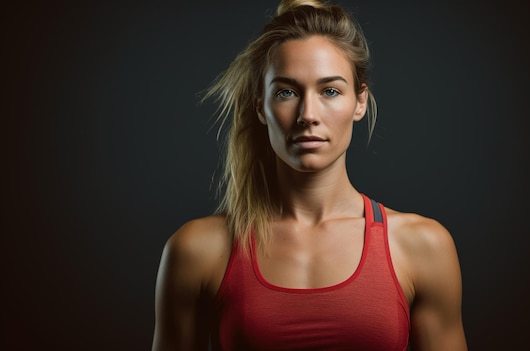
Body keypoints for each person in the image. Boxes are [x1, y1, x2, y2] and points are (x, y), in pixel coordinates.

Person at [152, 0, 466, 350]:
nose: (308, 114)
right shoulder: (199, 250)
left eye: (330, 91)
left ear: (360, 101)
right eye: (286, 92)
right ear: (261, 106)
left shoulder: (422, 246)